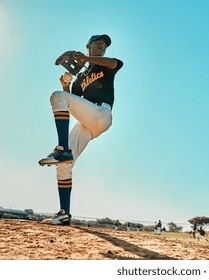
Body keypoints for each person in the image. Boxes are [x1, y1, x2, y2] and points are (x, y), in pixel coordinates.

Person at [39, 34, 123, 225]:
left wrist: (86, 59)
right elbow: (71, 103)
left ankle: (62, 150)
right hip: (88, 123)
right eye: (98, 43)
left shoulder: (104, 64)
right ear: (88, 45)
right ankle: (64, 214)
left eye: (104, 44)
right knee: (64, 165)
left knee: (57, 97)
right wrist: (67, 85)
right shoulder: (81, 78)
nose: (102, 45)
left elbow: (113, 63)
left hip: (101, 113)